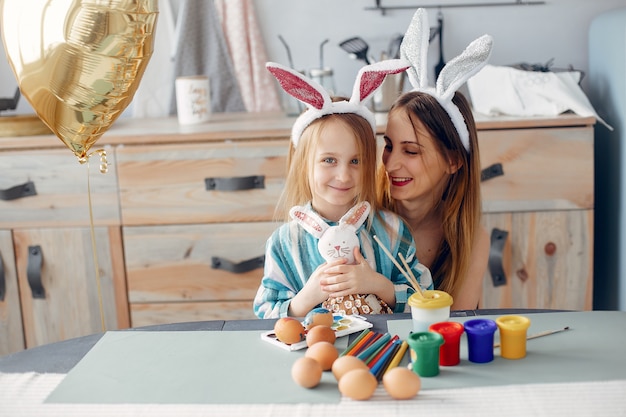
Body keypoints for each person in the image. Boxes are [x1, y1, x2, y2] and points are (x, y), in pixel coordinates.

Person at [253, 60, 433, 319]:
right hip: (312, 354)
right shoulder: (284, 244)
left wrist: (379, 285)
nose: (343, 175)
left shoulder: (392, 232)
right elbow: (264, 313)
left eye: (355, 161)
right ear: (304, 164)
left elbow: (426, 296)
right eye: (329, 160)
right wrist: (308, 296)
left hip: (382, 349)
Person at [378, 9, 494, 310]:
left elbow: (456, 323)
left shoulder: (471, 239)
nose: (390, 164)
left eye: (411, 151)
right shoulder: (364, 218)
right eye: (388, 145)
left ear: (454, 161)